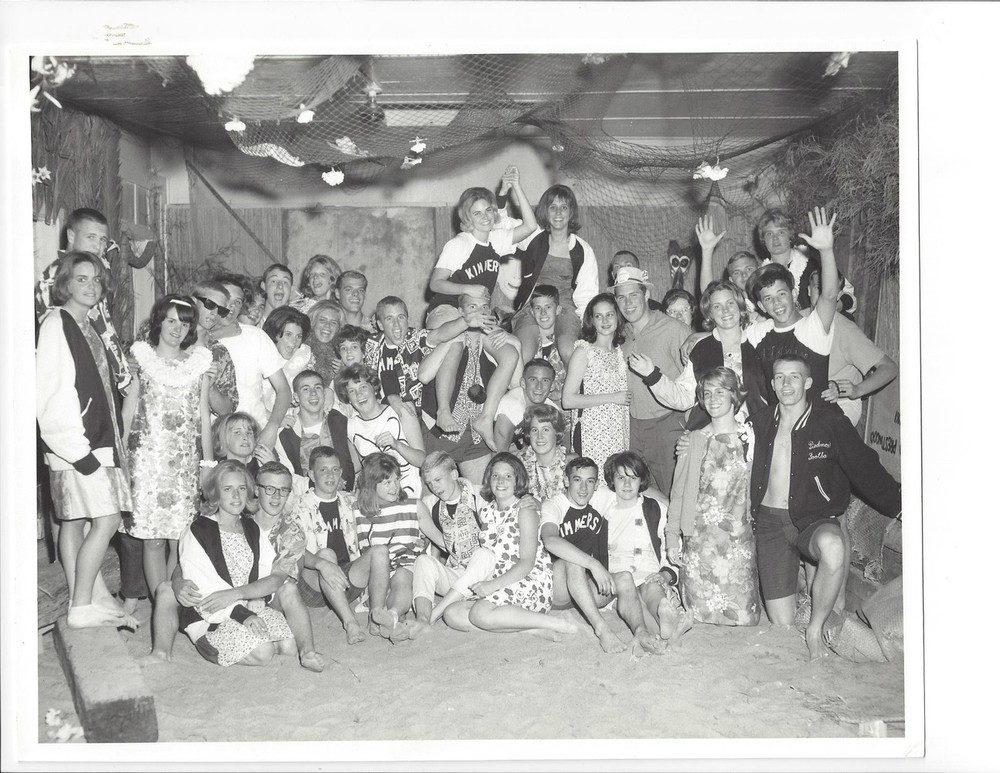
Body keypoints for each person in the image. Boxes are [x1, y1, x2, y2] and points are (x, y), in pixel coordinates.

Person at [749, 354, 901, 659]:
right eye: (779, 377)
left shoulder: (830, 423)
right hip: (770, 523)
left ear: (808, 382)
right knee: (782, 623)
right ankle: (805, 594)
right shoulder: (760, 422)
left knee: (833, 546)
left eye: (794, 377)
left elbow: (866, 469)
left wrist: (902, 507)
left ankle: (816, 627)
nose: (786, 383)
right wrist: (692, 443)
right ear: (772, 383)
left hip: (812, 519)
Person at [37, 251, 134, 628]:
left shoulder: (87, 323)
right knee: (108, 519)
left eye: (95, 279)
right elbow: (52, 393)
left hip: (94, 442)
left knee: (81, 518)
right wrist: (78, 452)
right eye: (81, 279)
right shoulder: (55, 324)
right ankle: (80, 607)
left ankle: (89, 599)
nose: (91, 286)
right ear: (65, 283)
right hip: (79, 446)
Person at [121, 294, 214, 625]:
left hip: (183, 465)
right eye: (171, 321)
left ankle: (172, 599)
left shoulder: (199, 364)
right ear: (159, 321)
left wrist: (207, 465)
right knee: (152, 538)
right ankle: (161, 600)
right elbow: (128, 412)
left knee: (179, 538)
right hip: (147, 463)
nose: (177, 329)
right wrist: (119, 458)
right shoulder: (141, 360)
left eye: (184, 323)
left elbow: (204, 419)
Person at [424, 168, 536, 431]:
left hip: (477, 312)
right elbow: (435, 283)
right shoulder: (459, 244)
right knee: (455, 342)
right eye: (477, 213)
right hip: (447, 307)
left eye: (488, 210)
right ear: (467, 218)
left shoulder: (496, 240)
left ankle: (488, 418)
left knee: (510, 352)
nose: (485, 217)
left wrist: (516, 187)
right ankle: (443, 412)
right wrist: (469, 287)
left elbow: (530, 226)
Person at [439, 453, 578, 638]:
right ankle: (531, 628)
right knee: (452, 614)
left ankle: (557, 623)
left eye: (508, 476)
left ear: (517, 480)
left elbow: (527, 563)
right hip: (499, 580)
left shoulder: (525, 510)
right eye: (495, 475)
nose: (501, 481)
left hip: (528, 580)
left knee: (479, 614)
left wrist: (492, 586)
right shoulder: (486, 511)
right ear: (489, 479)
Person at [540, 457, 665, 655]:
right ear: (566, 481)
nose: (583, 488)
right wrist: (594, 565)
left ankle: (640, 632)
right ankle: (603, 630)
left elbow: (634, 484)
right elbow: (550, 540)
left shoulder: (602, 498)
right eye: (577, 480)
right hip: (555, 587)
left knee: (624, 577)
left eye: (589, 481)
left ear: (597, 484)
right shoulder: (554, 505)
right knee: (573, 562)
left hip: (584, 589)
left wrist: (670, 504)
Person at [177, 460, 296, 666]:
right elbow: (204, 588)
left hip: (247, 604)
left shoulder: (251, 527)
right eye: (227, 489)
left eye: (241, 488)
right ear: (215, 493)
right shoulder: (198, 530)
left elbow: (266, 570)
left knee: (288, 647)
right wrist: (242, 614)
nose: (236, 496)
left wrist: (258, 596)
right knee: (264, 653)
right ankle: (209, 646)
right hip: (212, 615)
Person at [668, 367, 760, 627]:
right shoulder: (694, 440)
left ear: (734, 395)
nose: (713, 398)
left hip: (738, 540)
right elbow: (678, 493)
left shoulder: (751, 437)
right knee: (699, 619)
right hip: (701, 542)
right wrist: (672, 537)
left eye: (720, 391)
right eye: (707, 393)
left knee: (744, 618)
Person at [629, 279, 768, 431]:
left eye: (730, 303)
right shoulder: (701, 348)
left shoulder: (759, 338)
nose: (725, 310)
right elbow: (684, 398)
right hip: (711, 435)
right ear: (710, 313)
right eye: (717, 306)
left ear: (740, 306)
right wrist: (652, 375)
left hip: (757, 433)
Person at [744, 207, 840, 408]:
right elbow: (723, 322)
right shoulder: (756, 332)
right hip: (778, 420)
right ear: (761, 305)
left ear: (794, 293)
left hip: (817, 420)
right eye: (768, 299)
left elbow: (830, 295)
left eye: (781, 294)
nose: (777, 303)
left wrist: (826, 251)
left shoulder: (813, 327)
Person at [418, 290, 521, 466]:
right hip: (440, 431)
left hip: (474, 432)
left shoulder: (489, 340)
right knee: (435, 481)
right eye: (473, 307)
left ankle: (486, 418)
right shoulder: (449, 335)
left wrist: (514, 341)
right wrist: (453, 338)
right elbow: (424, 376)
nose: (479, 312)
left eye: (484, 307)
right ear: (460, 311)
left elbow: (516, 383)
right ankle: (443, 411)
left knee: (483, 485)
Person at [280, 446, 369, 645]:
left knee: (379, 552)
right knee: (327, 554)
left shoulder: (351, 501)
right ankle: (350, 622)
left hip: (346, 579)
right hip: (314, 582)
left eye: (335, 469)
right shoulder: (298, 506)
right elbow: (293, 548)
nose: (330, 475)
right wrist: (322, 564)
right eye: (323, 470)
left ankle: (379, 611)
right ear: (311, 474)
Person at [600, 451, 691, 645]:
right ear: (612, 480)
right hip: (619, 577)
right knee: (634, 600)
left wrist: (665, 574)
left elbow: (672, 546)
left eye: (633, 478)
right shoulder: (605, 511)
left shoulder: (655, 508)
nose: (627, 484)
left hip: (649, 572)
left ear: (641, 480)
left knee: (653, 590)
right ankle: (666, 630)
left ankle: (663, 613)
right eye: (621, 478)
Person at [615, 266, 689, 491]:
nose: (628, 303)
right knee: (642, 496)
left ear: (646, 294)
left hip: (667, 425)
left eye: (633, 295)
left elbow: (694, 383)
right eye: (621, 297)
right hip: (631, 427)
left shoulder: (674, 329)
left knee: (675, 493)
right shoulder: (621, 334)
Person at [409, 452, 498, 635]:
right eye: (429, 483)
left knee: (484, 555)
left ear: (454, 474)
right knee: (423, 561)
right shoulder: (430, 504)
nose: (434, 487)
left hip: (487, 573)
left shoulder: (481, 495)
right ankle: (422, 619)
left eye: (438, 480)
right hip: (458, 573)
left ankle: (434, 615)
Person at [510, 184, 598, 366]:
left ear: (571, 212)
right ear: (545, 211)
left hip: (565, 306)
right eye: (553, 207)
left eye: (564, 207)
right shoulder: (533, 237)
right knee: (523, 354)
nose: (558, 213)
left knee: (568, 351)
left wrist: (587, 329)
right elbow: (503, 226)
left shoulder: (582, 250)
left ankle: (576, 385)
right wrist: (509, 190)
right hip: (533, 304)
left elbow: (587, 296)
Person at [365, 295, 488, 421]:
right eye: (389, 319)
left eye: (401, 317)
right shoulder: (371, 344)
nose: (396, 325)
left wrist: (466, 321)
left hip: (411, 415)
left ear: (408, 320)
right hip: (378, 413)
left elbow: (439, 333)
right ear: (380, 325)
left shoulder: (415, 338)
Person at [803, 266, 899, 427]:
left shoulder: (845, 329)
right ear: (808, 290)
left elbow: (889, 368)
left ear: (839, 294)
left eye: (829, 289)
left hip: (840, 404)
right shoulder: (797, 320)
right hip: (804, 402)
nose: (824, 294)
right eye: (818, 287)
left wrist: (857, 390)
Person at [212, 273, 292, 450]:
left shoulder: (255, 336)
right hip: (212, 437)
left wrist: (271, 428)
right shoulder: (194, 339)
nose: (231, 306)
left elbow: (283, 390)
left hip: (254, 435)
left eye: (238, 301)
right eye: (226, 299)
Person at [354, 453, 429, 640]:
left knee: (402, 576)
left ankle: (391, 616)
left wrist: (425, 542)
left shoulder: (413, 505)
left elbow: (433, 536)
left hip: (405, 566)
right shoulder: (356, 511)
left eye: (397, 480)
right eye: (387, 482)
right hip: (376, 575)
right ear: (371, 485)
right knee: (388, 571)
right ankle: (385, 614)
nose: (395, 487)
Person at [562, 293, 630, 477]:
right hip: (591, 432)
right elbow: (568, 400)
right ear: (591, 320)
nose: (605, 321)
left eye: (610, 315)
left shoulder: (620, 352)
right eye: (598, 316)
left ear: (618, 317)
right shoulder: (583, 351)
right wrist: (612, 398)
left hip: (617, 431)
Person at [337, 363, 426, 497]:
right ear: (348, 399)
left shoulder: (400, 411)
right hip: (378, 500)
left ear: (374, 389)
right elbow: (354, 467)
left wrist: (396, 444)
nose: (359, 394)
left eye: (363, 387)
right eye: (352, 391)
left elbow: (422, 460)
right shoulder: (350, 426)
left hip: (410, 494)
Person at [756, 207, 856, 314]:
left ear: (790, 235)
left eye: (781, 232)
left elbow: (848, 295)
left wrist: (837, 304)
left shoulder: (813, 261)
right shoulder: (760, 275)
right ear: (763, 239)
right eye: (769, 234)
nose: (775, 238)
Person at [276, 370, 355, 490]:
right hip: (307, 498)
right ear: (296, 397)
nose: (313, 393)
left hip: (346, 495)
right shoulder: (285, 434)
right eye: (305, 389)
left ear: (324, 393)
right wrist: (317, 484)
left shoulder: (341, 419)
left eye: (317, 387)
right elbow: (287, 476)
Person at [695, 214, 763, 323]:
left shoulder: (770, 295)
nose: (744, 275)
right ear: (731, 280)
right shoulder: (733, 305)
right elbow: (709, 291)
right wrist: (707, 251)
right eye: (737, 272)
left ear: (759, 270)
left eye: (749, 269)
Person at [191, 281, 239, 417]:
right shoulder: (165, 333)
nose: (215, 314)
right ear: (194, 301)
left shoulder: (219, 353)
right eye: (210, 305)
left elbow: (227, 410)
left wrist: (211, 388)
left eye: (221, 310)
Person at [493, 358, 561, 452]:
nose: (539, 387)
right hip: (485, 449)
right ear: (523, 383)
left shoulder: (551, 409)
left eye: (545, 380)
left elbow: (558, 448)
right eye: (533, 380)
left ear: (552, 386)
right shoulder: (512, 406)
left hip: (516, 450)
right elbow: (498, 453)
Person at [261, 305, 315, 418]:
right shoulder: (259, 355)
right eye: (288, 335)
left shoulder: (303, 355)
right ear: (275, 333)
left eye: (298, 336)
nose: (294, 342)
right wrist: (275, 420)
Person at [516, 403, 578, 501]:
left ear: (557, 433)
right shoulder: (519, 466)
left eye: (545, 429)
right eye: (534, 430)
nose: (539, 436)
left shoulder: (571, 464)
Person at [522, 285, 568, 399]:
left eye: (548, 307)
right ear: (532, 312)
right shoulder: (527, 345)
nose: (543, 313)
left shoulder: (565, 344)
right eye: (538, 308)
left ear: (558, 310)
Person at [212, 412, 275, 478]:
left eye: (249, 433)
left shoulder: (261, 467)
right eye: (237, 432)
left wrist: (273, 468)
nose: (245, 437)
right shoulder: (216, 470)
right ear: (222, 438)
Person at [304, 299, 344, 389]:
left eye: (333, 323)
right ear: (313, 322)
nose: (327, 325)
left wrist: (343, 374)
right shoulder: (300, 347)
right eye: (322, 320)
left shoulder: (343, 353)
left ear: (338, 328)